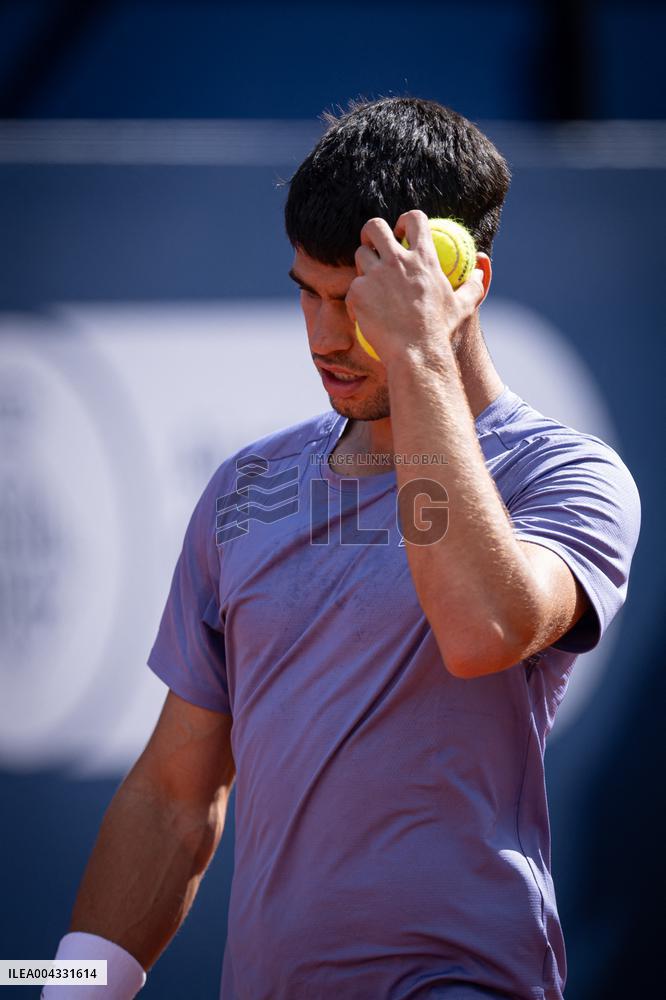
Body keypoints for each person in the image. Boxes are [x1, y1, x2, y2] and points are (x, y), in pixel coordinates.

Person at [44, 97, 641, 1000]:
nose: (325, 339)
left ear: (460, 283)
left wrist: (419, 357)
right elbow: (173, 797)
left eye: (356, 305)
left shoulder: (567, 475)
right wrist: (65, 989)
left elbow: (481, 623)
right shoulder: (243, 491)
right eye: (309, 296)